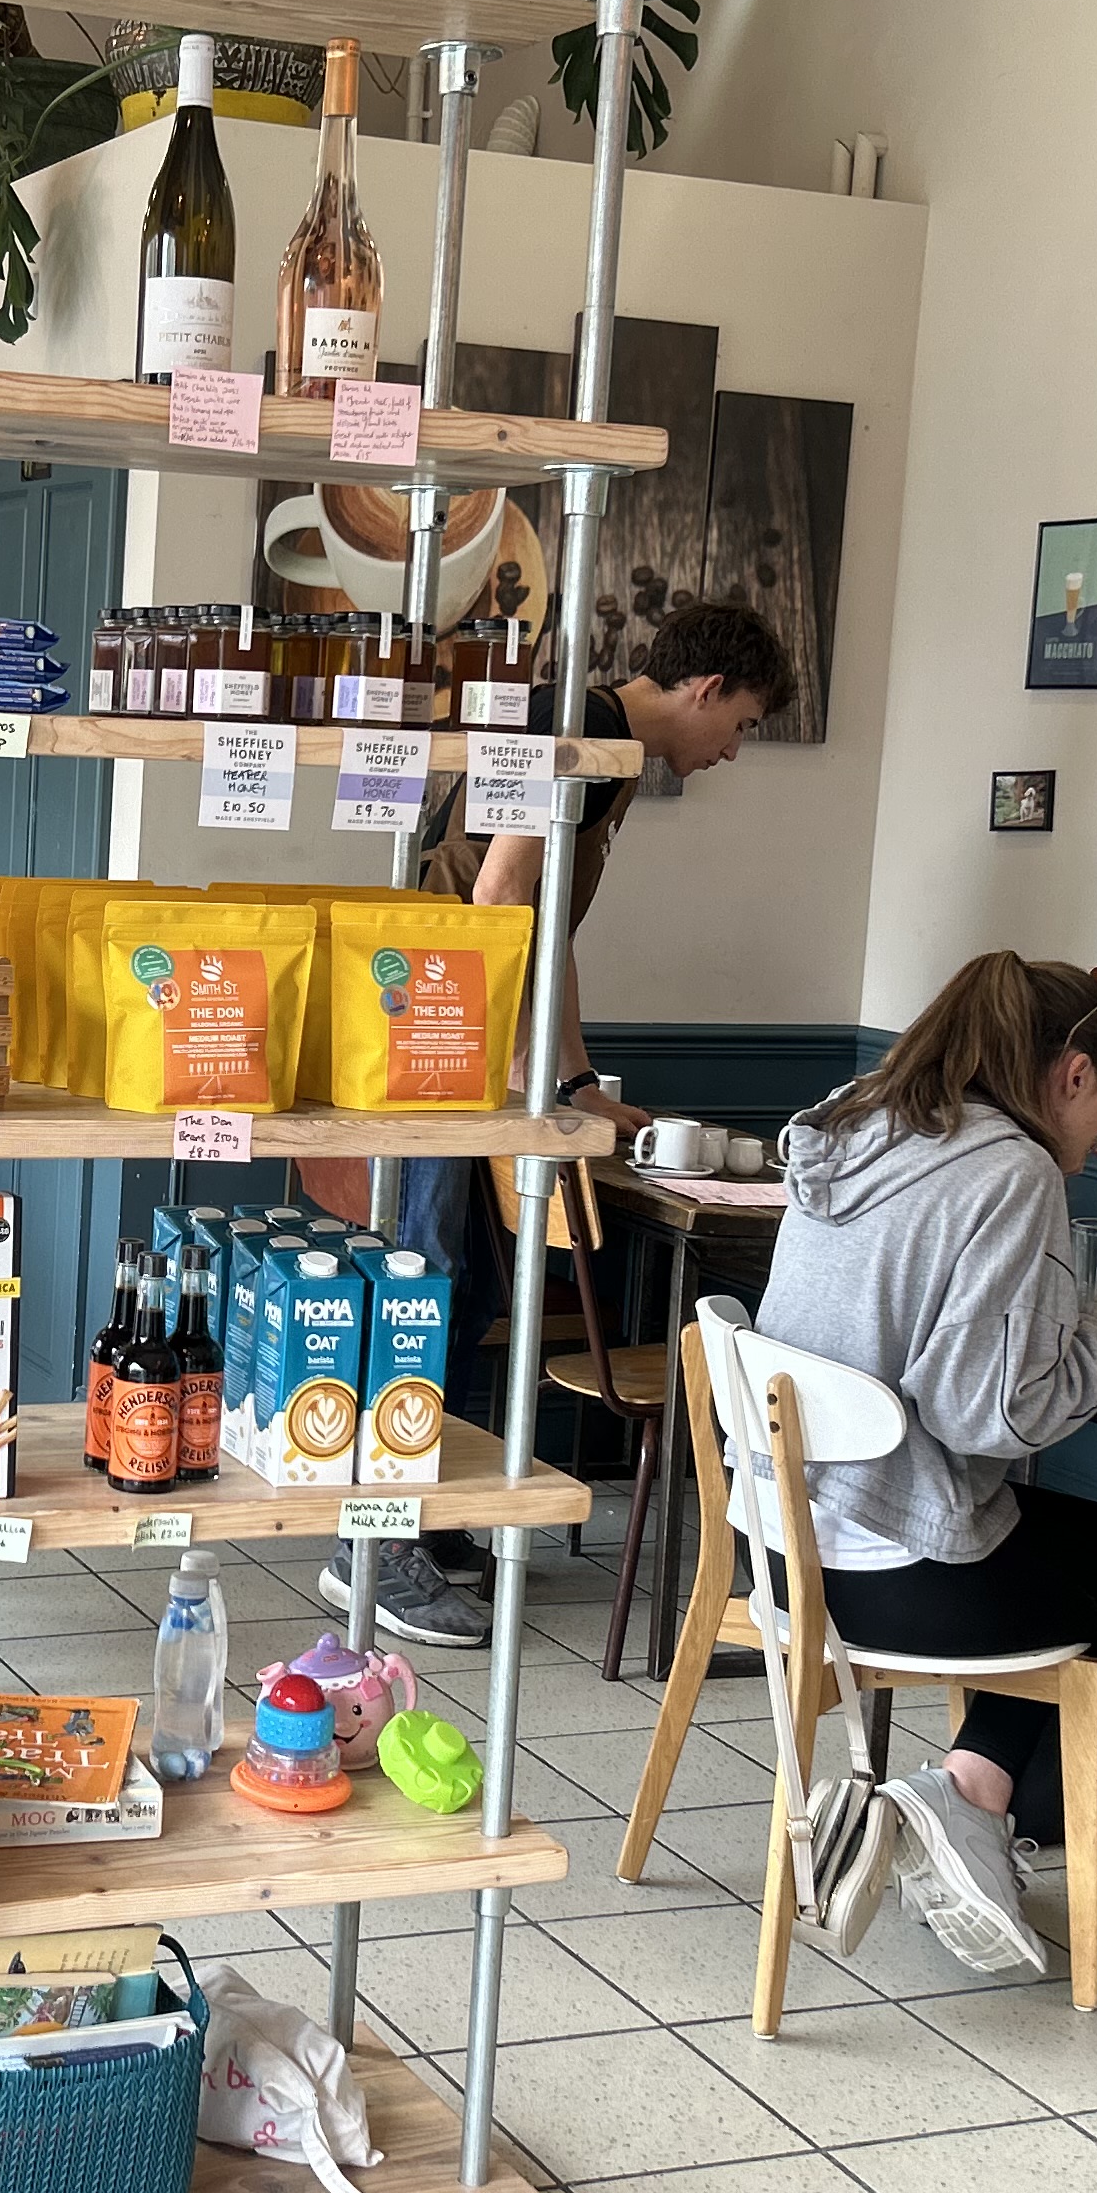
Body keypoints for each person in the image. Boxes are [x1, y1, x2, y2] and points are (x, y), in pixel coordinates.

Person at [750, 951, 1097, 1979]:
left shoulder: (857, 1121)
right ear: (1074, 1074)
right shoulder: (1011, 1172)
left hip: (778, 1541)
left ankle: (967, 1802)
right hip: (892, 1569)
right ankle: (974, 1810)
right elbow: (992, 1416)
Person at [344, 596, 795, 1651]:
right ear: (705, 689)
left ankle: (425, 1514)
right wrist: (518, 1068)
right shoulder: (584, 732)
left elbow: (549, 927)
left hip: (459, 1041)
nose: (732, 752)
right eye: (740, 724)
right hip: (437, 1046)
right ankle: (374, 1547)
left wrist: (576, 1079)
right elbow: (502, 893)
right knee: (426, 1287)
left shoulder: (605, 744)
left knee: (467, 1289)